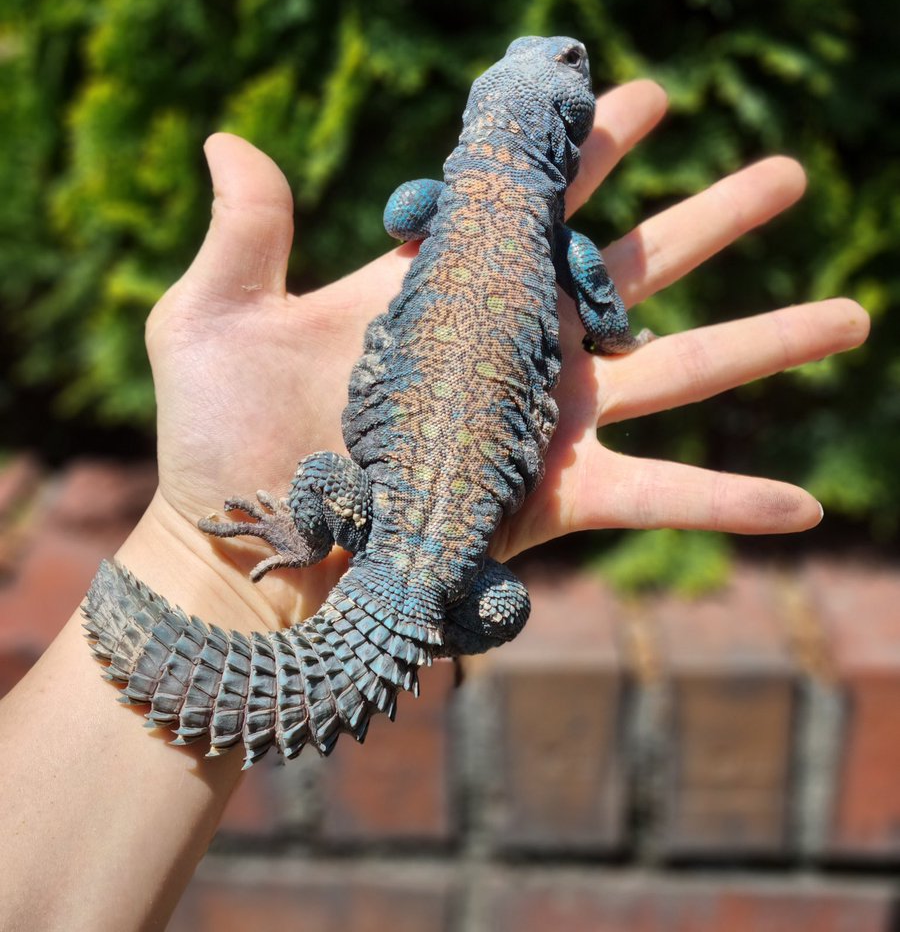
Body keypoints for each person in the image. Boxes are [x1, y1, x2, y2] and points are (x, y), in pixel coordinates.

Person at [0, 80, 869, 931]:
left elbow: (398, 214)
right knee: (499, 597)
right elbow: (598, 308)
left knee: (436, 561)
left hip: (374, 517)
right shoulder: (557, 236)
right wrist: (611, 337)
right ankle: (391, 610)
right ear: (560, 143)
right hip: (432, 547)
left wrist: (238, 565)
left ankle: (301, 546)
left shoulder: (438, 199)